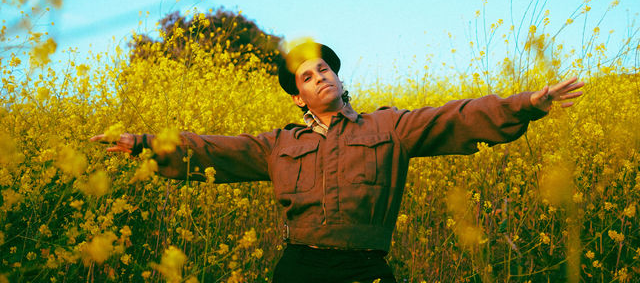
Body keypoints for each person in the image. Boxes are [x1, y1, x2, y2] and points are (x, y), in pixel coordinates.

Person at [91, 41, 584, 282]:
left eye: (325, 69)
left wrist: (528, 103)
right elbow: (212, 149)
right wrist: (141, 143)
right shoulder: (276, 145)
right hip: (298, 267)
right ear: (299, 99)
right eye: (307, 76)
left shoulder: (389, 128)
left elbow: (457, 118)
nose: (319, 76)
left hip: (365, 268)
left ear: (341, 81)